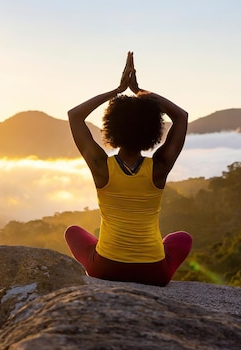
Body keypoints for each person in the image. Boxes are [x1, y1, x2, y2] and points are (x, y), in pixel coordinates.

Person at [64, 51, 192, 286]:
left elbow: (75, 116)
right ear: (153, 131)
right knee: (181, 239)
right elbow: (181, 117)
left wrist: (117, 90)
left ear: (111, 128)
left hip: (105, 268)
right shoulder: (159, 168)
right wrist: (140, 92)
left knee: (73, 231)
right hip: (154, 274)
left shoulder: (101, 167)